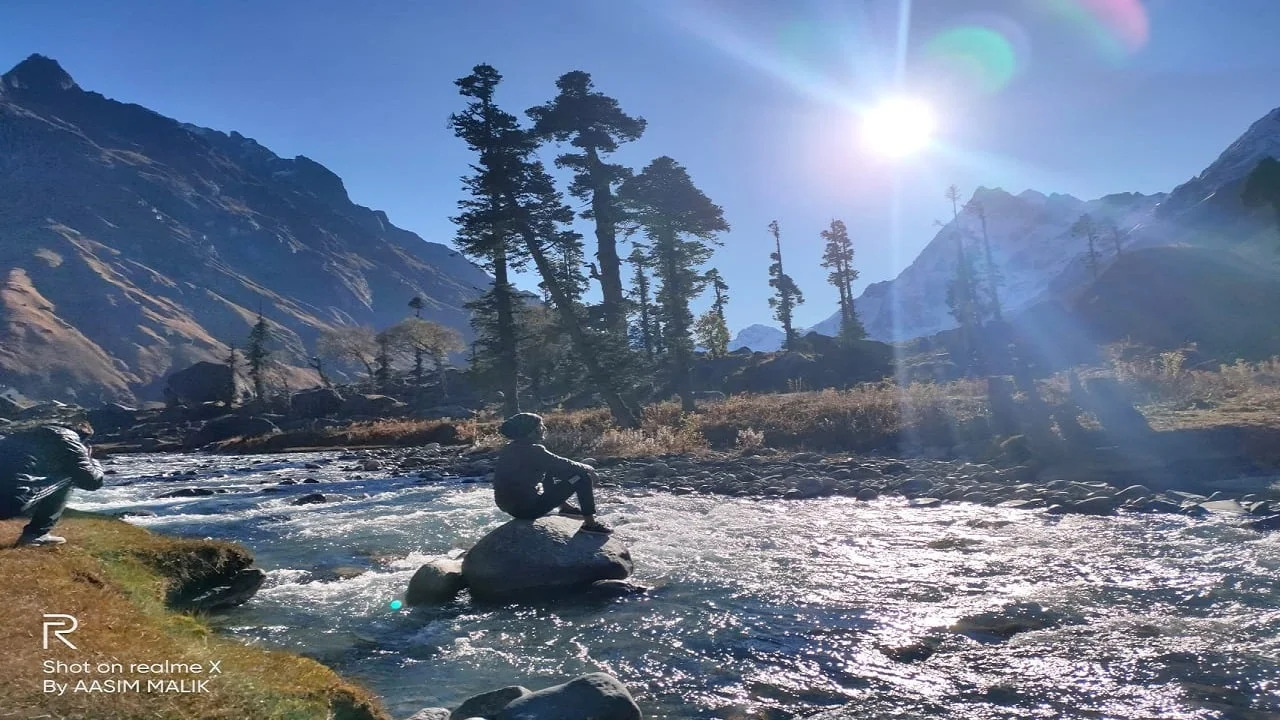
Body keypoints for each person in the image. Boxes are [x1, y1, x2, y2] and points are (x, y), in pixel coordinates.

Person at [493, 412, 612, 534]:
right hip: (528, 510)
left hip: (511, 507)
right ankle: (590, 524)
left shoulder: (510, 448)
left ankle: (565, 508)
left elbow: (555, 465)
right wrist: (587, 468)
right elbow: (565, 464)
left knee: (550, 469)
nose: (544, 428)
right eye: (541, 426)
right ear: (531, 431)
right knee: (582, 477)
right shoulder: (534, 450)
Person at [0, 421, 104, 546]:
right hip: (8, 502)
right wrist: (91, 459)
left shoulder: (19, 435)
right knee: (69, 476)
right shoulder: (69, 440)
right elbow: (91, 482)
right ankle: (35, 535)